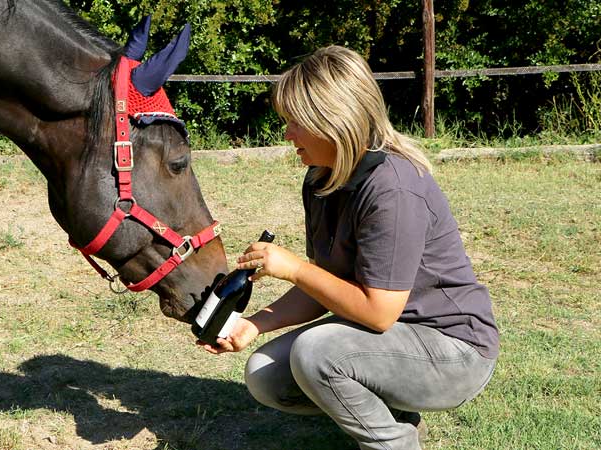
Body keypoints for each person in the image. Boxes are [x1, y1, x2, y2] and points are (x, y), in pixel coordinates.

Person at [197, 45, 499, 450]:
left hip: (453, 350)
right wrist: (254, 325)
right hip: (392, 339)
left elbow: (377, 313)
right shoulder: (321, 180)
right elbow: (329, 284)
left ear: (333, 121)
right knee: (265, 374)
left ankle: (392, 443)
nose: (286, 134)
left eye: (295, 122)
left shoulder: (392, 187)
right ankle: (395, 414)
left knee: (317, 353)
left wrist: (295, 269)